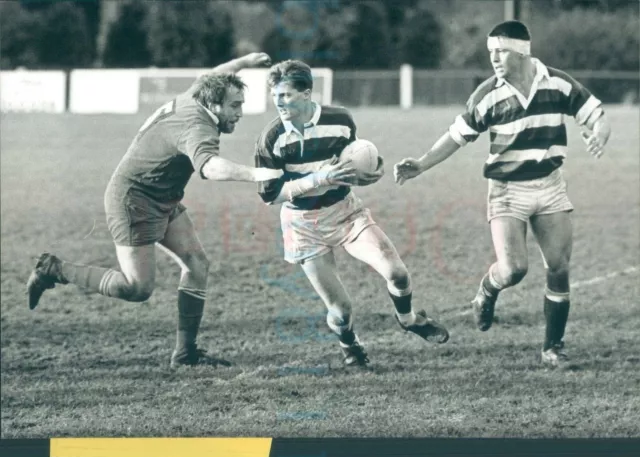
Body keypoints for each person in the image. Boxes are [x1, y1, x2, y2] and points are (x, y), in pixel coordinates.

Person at [26, 52, 283, 368]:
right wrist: (257, 174)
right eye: (234, 106)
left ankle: (185, 354)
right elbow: (210, 167)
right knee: (137, 288)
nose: (240, 113)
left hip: (162, 197)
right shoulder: (197, 125)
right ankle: (53, 269)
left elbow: (216, 72)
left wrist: (244, 61)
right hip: (133, 201)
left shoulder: (197, 94)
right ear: (214, 104)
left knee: (197, 264)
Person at [393, 21, 611, 368]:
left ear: (521, 51)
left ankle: (552, 348)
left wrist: (599, 134)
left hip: (550, 185)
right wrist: (421, 164)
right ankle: (488, 290)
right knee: (514, 270)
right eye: (490, 51)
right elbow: (455, 136)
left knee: (558, 267)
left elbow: (597, 114)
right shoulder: (487, 94)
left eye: (501, 51)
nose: (493, 58)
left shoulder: (558, 82)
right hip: (507, 191)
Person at [254, 60, 450, 367]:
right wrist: (320, 179)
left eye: (286, 95)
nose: (278, 102)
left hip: (345, 212)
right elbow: (269, 195)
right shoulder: (272, 138)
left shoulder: (340, 120)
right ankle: (349, 344)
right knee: (341, 310)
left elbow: (356, 156)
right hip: (303, 224)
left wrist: (373, 168)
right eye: (274, 95)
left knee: (397, 272)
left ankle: (409, 319)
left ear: (307, 93)